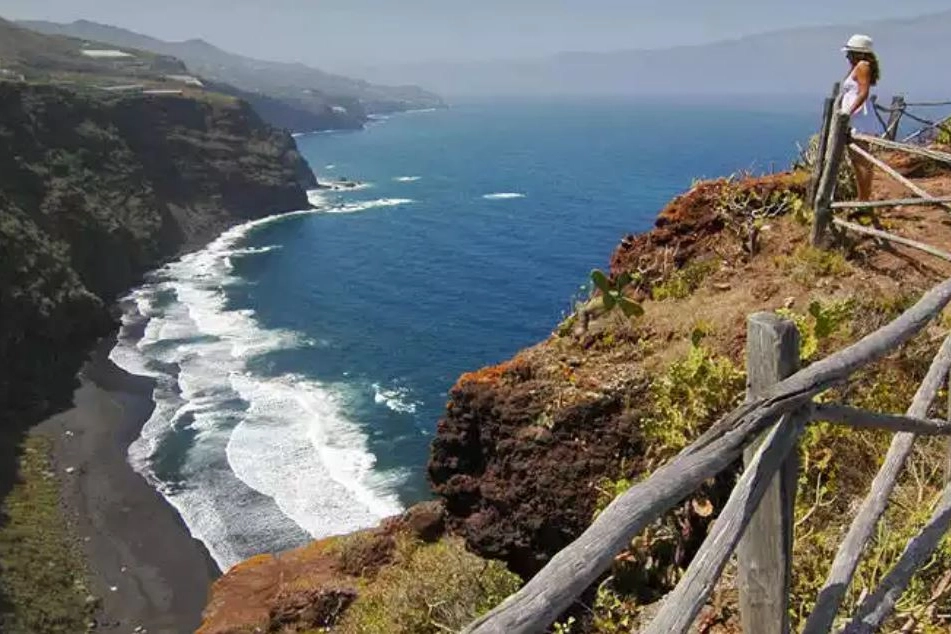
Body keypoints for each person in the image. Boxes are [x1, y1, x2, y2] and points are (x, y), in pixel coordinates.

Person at [839, 34, 882, 201]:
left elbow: (863, 93)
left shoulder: (862, 67)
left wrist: (848, 112)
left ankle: (863, 200)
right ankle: (862, 198)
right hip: (856, 117)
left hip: (858, 118)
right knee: (858, 160)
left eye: (850, 53)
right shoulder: (860, 66)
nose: (848, 56)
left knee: (861, 159)